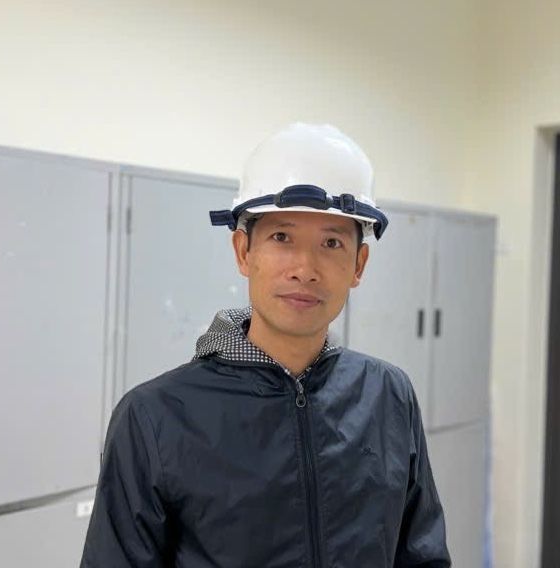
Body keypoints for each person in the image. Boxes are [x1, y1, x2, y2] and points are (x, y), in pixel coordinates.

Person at [80, 123, 451, 567]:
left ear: (359, 263)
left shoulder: (389, 395)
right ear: (243, 251)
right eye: (282, 237)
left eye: (332, 242)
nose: (305, 268)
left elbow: (423, 556)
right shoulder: (155, 417)